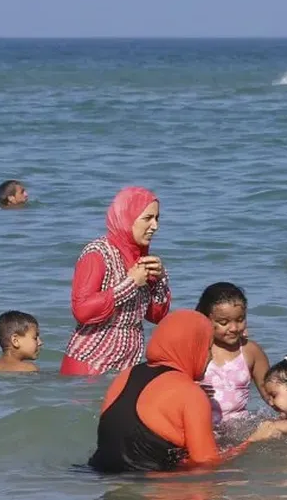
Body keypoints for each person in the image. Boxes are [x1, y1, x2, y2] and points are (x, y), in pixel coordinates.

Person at [88, 310, 221, 472]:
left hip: (96, 475)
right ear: (193, 347)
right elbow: (206, 466)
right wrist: (250, 442)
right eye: (208, 348)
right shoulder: (190, 394)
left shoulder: (125, 375)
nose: (211, 357)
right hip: (150, 488)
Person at [61, 187, 171, 376]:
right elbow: (81, 310)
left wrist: (160, 280)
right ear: (127, 217)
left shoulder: (141, 257)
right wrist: (130, 284)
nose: (155, 226)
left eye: (157, 218)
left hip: (127, 365)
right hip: (90, 363)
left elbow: (156, 316)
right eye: (148, 218)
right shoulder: (97, 253)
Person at [195, 282, 270, 425]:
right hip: (202, 428)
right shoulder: (195, 350)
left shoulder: (250, 351)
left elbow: (271, 394)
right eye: (224, 322)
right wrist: (192, 391)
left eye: (240, 320)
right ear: (205, 318)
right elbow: (173, 387)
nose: (234, 328)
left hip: (239, 426)